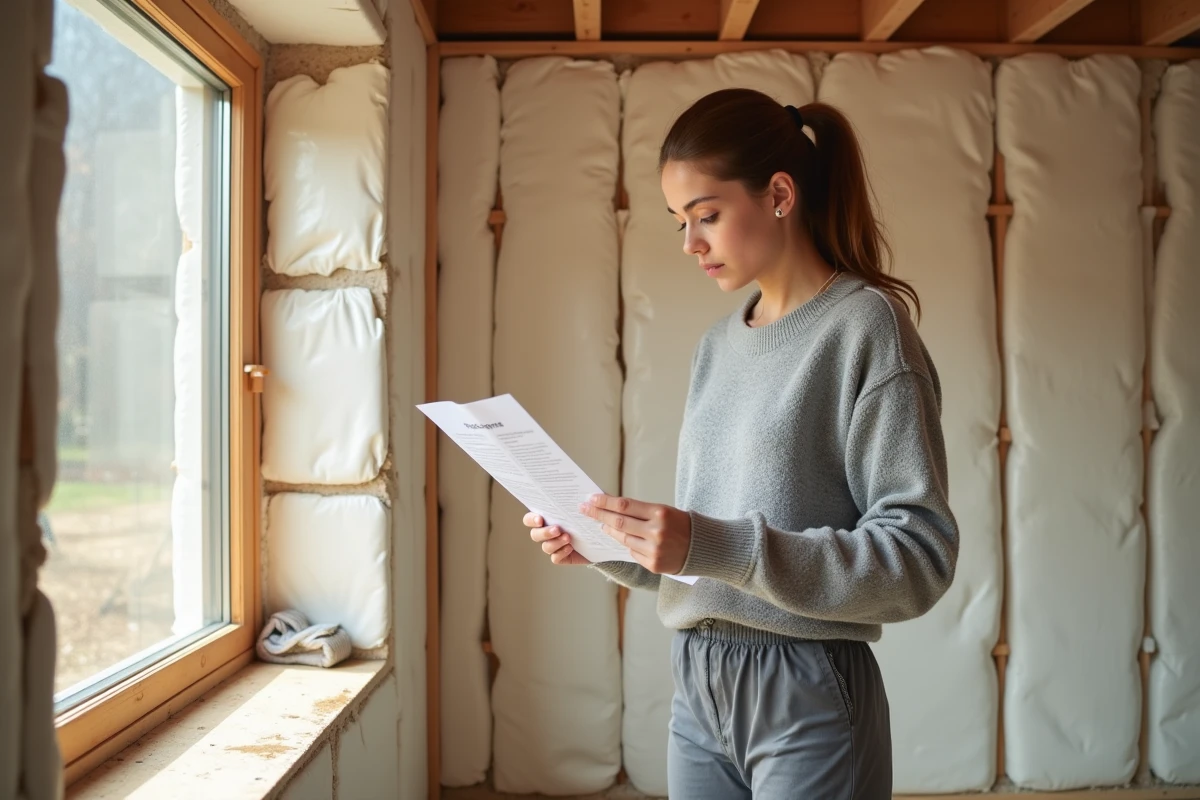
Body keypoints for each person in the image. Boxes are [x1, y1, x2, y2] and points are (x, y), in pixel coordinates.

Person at [523, 88, 959, 799]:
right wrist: (606, 544)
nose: (691, 243)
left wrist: (711, 544)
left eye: (707, 216)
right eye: (680, 223)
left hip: (808, 690)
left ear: (780, 194)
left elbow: (919, 558)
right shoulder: (718, 347)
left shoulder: (865, 329)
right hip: (700, 685)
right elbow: (708, 558)